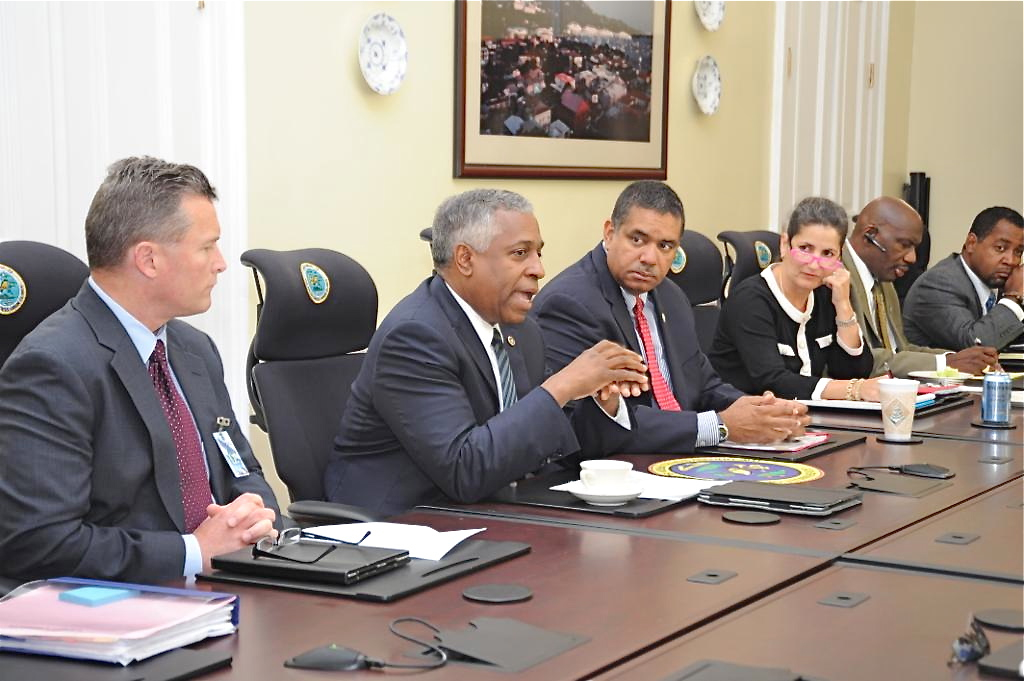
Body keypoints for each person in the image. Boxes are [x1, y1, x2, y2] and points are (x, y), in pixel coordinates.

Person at [0, 157, 280, 585]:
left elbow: (240, 467)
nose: (221, 263)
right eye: (207, 246)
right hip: (124, 607)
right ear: (148, 260)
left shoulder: (194, 349)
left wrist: (255, 516)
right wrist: (195, 552)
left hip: (229, 584)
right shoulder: (53, 365)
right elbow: (41, 543)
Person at [324, 189, 649, 516]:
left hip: (492, 512)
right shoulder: (414, 336)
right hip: (402, 526)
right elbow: (464, 470)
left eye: (538, 252)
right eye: (520, 253)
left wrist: (601, 401)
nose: (539, 269)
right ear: (465, 259)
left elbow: (549, 438)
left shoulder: (521, 329)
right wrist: (563, 385)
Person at [531, 180, 809, 454]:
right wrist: (721, 425)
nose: (650, 258)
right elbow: (593, 425)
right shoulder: (569, 303)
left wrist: (765, 414)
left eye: (665, 246)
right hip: (615, 470)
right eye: (637, 239)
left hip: (680, 458)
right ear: (609, 232)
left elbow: (703, 385)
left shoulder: (671, 296)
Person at [710, 197, 876, 401]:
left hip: (808, 420)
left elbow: (853, 372)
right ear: (784, 245)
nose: (814, 265)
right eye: (805, 249)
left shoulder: (825, 293)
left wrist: (843, 305)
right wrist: (856, 390)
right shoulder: (750, 300)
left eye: (827, 253)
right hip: (747, 419)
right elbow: (773, 381)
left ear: (839, 258)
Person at [844, 197, 999, 376]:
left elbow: (899, 350)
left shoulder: (884, 282)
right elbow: (858, 360)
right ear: (870, 235)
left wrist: (960, 359)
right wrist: (944, 363)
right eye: (904, 245)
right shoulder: (834, 276)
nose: (912, 258)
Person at [903, 207, 1024, 351]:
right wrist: (1013, 298)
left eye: (1018, 252)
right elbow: (974, 345)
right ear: (971, 243)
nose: (1011, 260)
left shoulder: (996, 285)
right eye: (1000, 248)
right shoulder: (939, 283)